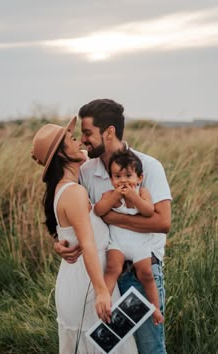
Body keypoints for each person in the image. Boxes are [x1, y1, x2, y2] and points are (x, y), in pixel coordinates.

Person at [54, 99, 172, 354]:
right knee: (112, 346)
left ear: (109, 132)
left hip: (141, 274)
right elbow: (73, 213)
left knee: (150, 347)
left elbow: (162, 222)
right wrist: (59, 240)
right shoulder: (85, 170)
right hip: (106, 275)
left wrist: (112, 217)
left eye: (87, 133)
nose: (83, 140)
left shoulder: (147, 166)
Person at [31, 117, 137, 354]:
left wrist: (59, 245)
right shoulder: (75, 192)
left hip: (82, 279)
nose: (78, 141)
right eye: (71, 139)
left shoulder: (65, 186)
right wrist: (101, 291)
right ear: (61, 154)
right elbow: (88, 244)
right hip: (89, 285)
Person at [94, 148, 164, 325]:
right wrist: (114, 197)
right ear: (111, 179)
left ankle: (155, 308)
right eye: (117, 177)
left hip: (140, 244)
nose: (123, 181)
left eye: (128, 175)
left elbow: (149, 211)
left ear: (139, 178)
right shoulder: (110, 195)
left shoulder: (143, 193)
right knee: (112, 269)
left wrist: (134, 197)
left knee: (146, 274)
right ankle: (105, 302)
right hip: (118, 243)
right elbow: (99, 210)